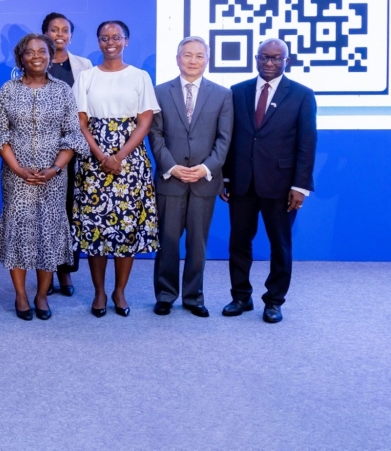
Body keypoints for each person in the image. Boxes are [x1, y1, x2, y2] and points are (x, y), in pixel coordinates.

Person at [0, 34, 88, 320]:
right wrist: (18, 168)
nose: (36, 56)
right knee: (19, 232)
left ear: (50, 55)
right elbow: (1, 133)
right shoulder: (8, 90)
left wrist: (55, 168)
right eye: (29, 52)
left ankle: (42, 295)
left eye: (42, 51)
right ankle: (21, 295)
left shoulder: (63, 91)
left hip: (54, 176)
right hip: (16, 175)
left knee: (49, 234)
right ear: (21, 58)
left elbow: (73, 135)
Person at [222, 38, 316, 323]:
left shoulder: (301, 94)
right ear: (256, 58)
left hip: (282, 186)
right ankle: (240, 297)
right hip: (241, 183)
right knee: (238, 242)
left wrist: (300, 186)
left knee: (280, 245)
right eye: (264, 57)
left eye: (276, 58)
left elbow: (307, 142)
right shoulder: (237, 92)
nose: (270, 63)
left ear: (287, 61)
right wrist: (225, 177)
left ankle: (274, 301)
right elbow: (228, 137)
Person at [73, 20, 159, 318]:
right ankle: (99, 292)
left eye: (116, 37)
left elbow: (145, 121)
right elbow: (80, 122)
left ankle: (119, 291)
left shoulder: (140, 77)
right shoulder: (86, 77)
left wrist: (119, 155)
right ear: (98, 42)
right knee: (96, 228)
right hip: (93, 161)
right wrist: (101, 155)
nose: (110, 42)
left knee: (125, 229)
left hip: (130, 161)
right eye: (104, 38)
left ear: (127, 41)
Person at [148, 36, 233, 317]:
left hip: (204, 181)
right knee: (168, 240)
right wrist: (171, 166)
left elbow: (224, 139)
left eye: (199, 56)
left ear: (207, 60)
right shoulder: (160, 92)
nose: (193, 60)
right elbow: (155, 134)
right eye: (187, 55)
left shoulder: (222, 94)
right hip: (170, 179)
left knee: (198, 243)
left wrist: (207, 168)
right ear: (177, 58)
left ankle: (194, 297)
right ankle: (165, 294)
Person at [42, 12, 93, 297]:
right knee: (44, 214)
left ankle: (65, 272)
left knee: (68, 213)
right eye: (53, 29)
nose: (59, 34)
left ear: (71, 36)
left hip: (73, 151)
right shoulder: (33, 62)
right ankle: (45, 272)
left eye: (64, 30)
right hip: (39, 152)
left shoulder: (84, 66)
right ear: (44, 33)